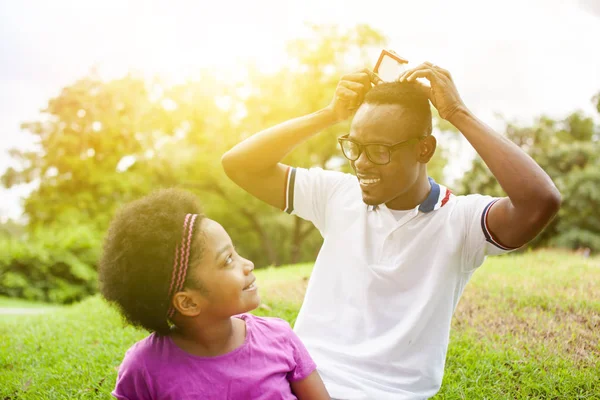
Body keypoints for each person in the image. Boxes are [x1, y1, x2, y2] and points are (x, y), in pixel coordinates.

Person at [221, 63, 561, 399]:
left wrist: (457, 112)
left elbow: (540, 202)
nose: (361, 163)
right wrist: (329, 113)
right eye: (354, 147)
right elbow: (239, 164)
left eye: (379, 151)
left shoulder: (461, 222)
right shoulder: (338, 194)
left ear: (424, 149)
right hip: (296, 382)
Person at [98, 189, 330, 400]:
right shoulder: (143, 369)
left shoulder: (279, 337)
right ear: (188, 302)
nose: (248, 264)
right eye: (228, 259)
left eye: (235, 252)